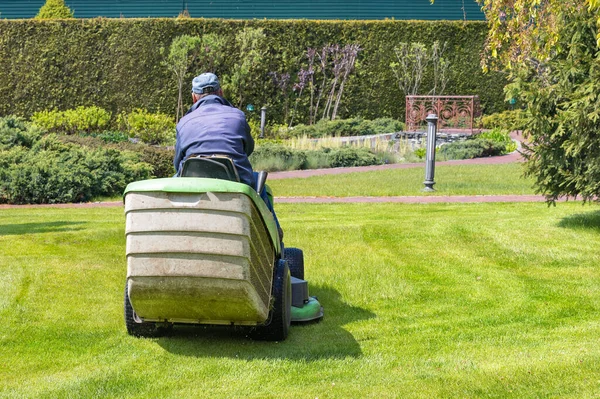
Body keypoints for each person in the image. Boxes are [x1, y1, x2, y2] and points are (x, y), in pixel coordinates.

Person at [174, 72, 282, 240]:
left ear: (194, 97)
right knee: (259, 183)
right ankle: (275, 237)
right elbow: (248, 148)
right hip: (236, 180)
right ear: (221, 92)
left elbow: (177, 162)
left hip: (193, 182)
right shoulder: (237, 116)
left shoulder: (183, 123)